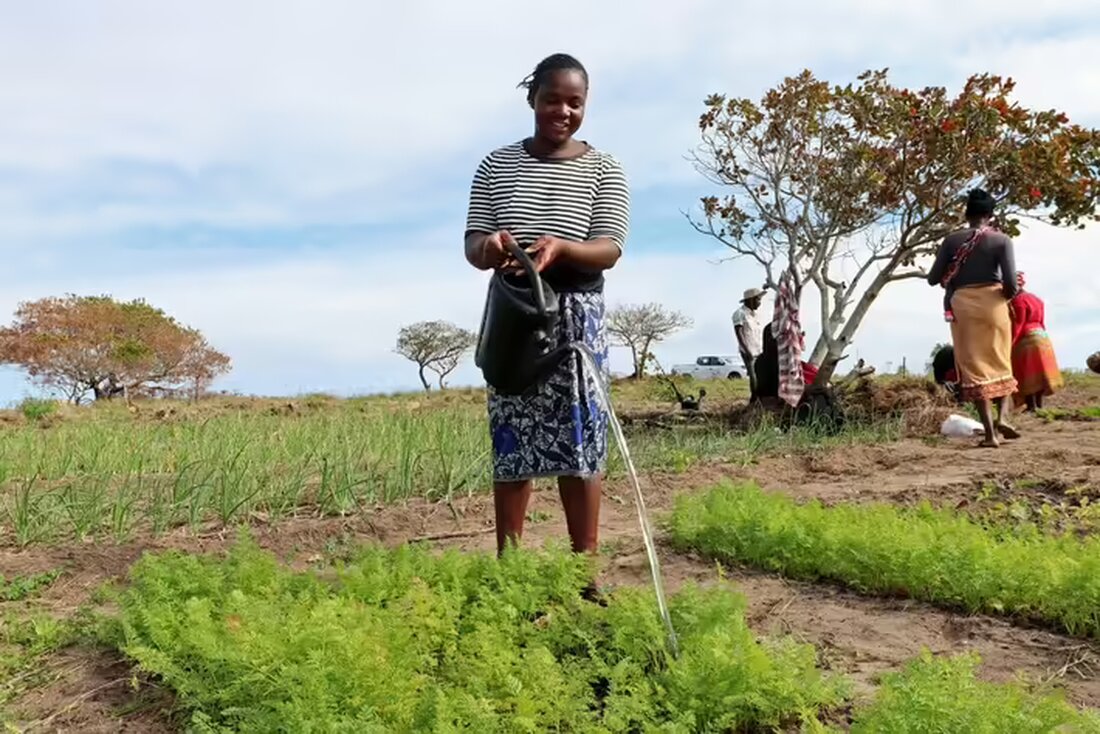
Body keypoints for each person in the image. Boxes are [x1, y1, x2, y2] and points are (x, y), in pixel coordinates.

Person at [463, 53, 630, 559]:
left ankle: (585, 573)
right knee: (514, 441)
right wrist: (490, 247)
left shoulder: (605, 167)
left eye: (574, 102)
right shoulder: (496, 164)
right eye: (552, 99)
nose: (563, 111)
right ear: (532, 98)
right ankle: (510, 570)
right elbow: (473, 245)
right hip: (515, 316)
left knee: (581, 446)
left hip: (577, 319)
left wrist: (561, 248)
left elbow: (610, 249)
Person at [927, 188, 1019, 448]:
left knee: (975, 366)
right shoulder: (1002, 241)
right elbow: (1011, 283)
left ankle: (990, 435)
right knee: (1000, 360)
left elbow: (933, 279)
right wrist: (1002, 296)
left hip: (964, 306)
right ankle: (1003, 418)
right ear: (990, 215)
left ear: (967, 214)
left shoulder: (952, 241)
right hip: (994, 304)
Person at [1009, 272, 1063, 411]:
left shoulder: (1018, 301)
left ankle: (1031, 406)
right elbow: (1041, 322)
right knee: (1040, 374)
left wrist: (1011, 343)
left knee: (1026, 373)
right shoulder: (1037, 299)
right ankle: (1039, 404)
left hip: (1027, 340)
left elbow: (1018, 324)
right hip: (1042, 337)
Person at [732, 288, 765, 398]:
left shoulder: (754, 315)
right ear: (751, 300)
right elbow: (739, 334)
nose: (759, 303)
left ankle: (759, 398)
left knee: (761, 375)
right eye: (758, 300)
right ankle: (754, 400)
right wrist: (747, 350)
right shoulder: (740, 313)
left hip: (758, 350)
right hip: (749, 351)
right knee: (754, 376)